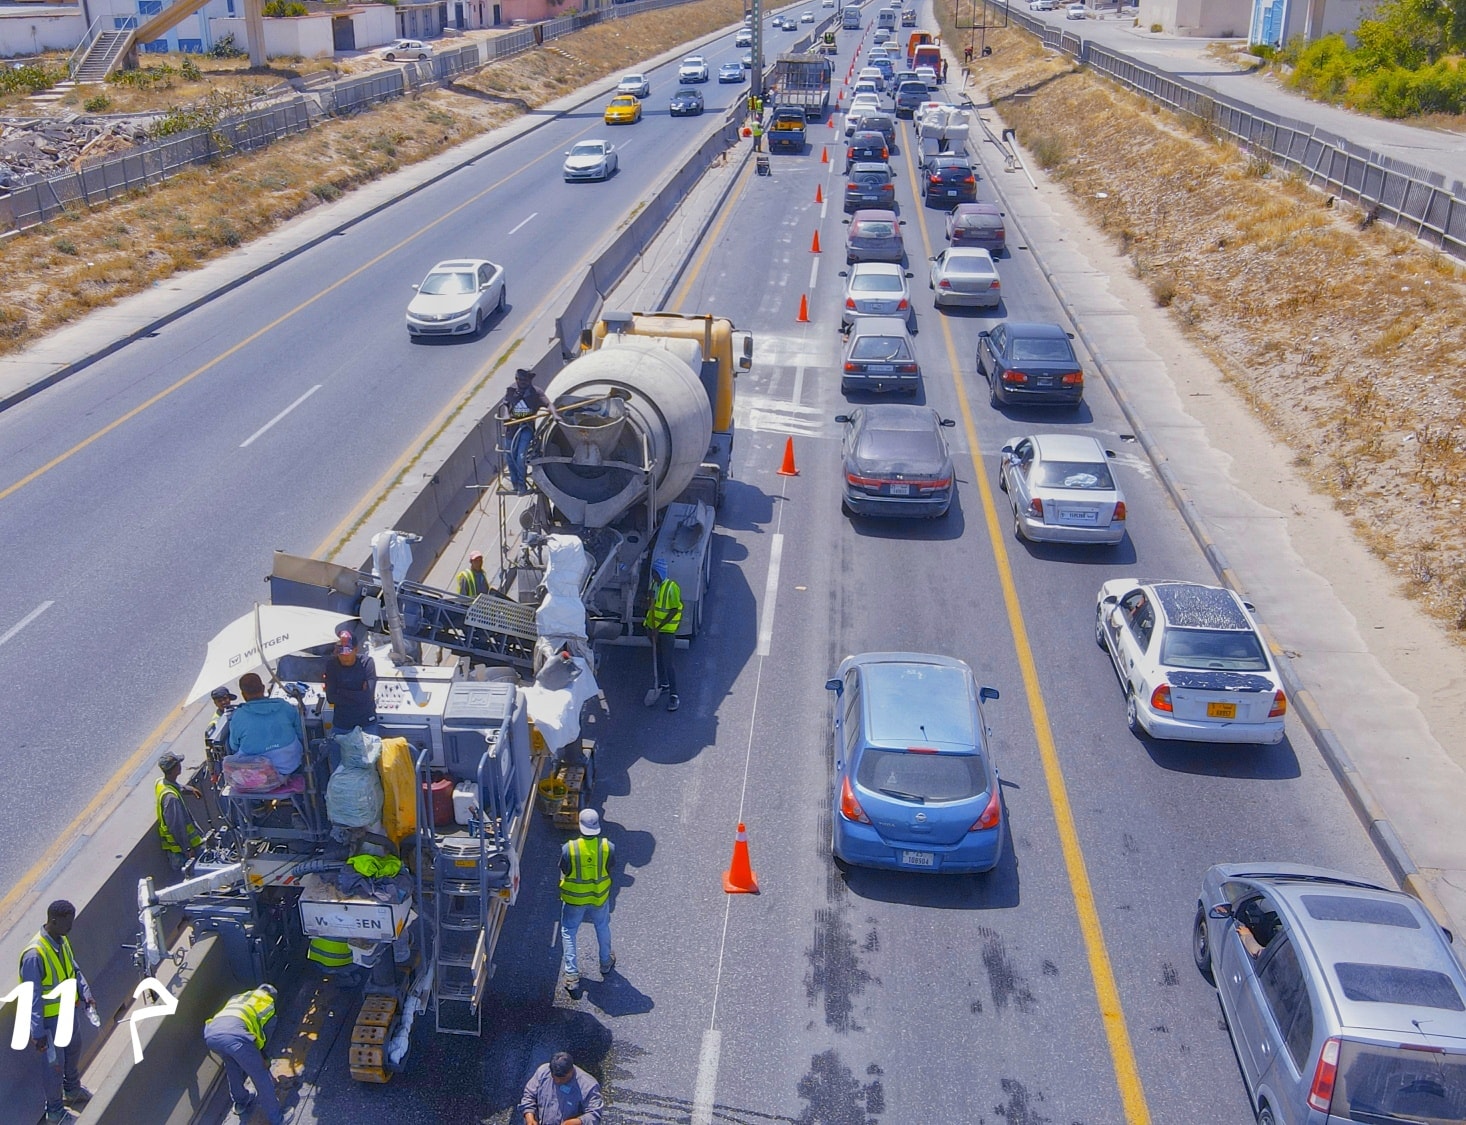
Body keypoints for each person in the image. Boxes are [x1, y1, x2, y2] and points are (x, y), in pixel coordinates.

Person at [19, 900, 96, 1123]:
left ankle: (71, 1090)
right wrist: (37, 1031)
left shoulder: (62, 940)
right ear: (53, 921)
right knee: (54, 1066)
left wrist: (85, 992)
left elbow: (74, 969)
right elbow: (31, 996)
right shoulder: (35, 955)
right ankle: (55, 1111)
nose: (70, 927)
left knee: (74, 1048)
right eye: (67, 923)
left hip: (67, 1012)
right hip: (48, 1022)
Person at [203, 985, 283, 1125]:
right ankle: (277, 1119)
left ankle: (241, 1102)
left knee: (232, 1064)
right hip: (235, 1037)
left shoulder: (240, 997)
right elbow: (260, 1039)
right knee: (260, 1075)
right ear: (272, 997)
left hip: (211, 1034)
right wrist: (263, 1058)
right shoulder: (268, 1004)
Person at [559, 809, 615, 994]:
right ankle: (605, 962)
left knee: (569, 931)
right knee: (602, 926)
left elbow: (565, 869)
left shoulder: (570, 848)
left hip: (574, 898)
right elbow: (610, 867)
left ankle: (572, 975)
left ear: (580, 825)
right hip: (599, 896)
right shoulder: (608, 847)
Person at [228, 672, 305, 777]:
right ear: (263, 688)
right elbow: (301, 734)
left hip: (256, 773)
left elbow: (234, 746)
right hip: (289, 766)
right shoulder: (284, 706)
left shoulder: (238, 716)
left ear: (243, 694)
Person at [519, 1050, 604, 1125]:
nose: (557, 1081)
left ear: (571, 1070)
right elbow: (529, 1096)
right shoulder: (543, 1072)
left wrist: (576, 1122)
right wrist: (530, 1118)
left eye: (562, 1078)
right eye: (553, 1077)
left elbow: (595, 1114)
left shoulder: (588, 1085)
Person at [500, 368, 549, 494]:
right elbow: (505, 404)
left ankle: (522, 485)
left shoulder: (536, 393)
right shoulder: (511, 390)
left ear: (529, 380)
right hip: (512, 428)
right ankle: (515, 483)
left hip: (526, 428)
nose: (520, 382)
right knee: (510, 457)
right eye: (518, 379)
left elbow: (549, 405)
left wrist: (555, 413)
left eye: (523, 379)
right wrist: (506, 416)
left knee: (520, 457)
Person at [644, 558, 682, 712]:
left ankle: (674, 696)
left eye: (654, 573)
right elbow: (651, 607)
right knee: (657, 657)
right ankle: (663, 684)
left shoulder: (672, 588)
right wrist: (648, 599)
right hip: (653, 629)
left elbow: (674, 610)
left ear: (661, 573)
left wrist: (658, 628)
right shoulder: (654, 585)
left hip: (665, 632)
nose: (653, 576)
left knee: (668, 662)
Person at [156, 751, 204, 871]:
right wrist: (187, 849)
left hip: (181, 850)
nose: (180, 766)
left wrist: (190, 789)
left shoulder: (161, 782)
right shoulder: (171, 799)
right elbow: (177, 827)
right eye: (178, 764)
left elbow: (176, 786)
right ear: (173, 769)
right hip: (181, 852)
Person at [323, 630, 377, 733]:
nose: (344, 656)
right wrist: (358, 693)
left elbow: (368, 697)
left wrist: (341, 691)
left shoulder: (367, 663)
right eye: (340, 651)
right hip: (342, 724)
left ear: (356, 650)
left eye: (347, 651)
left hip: (366, 722)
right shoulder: (331, 665)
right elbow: (331, 698)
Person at [205, 686, 237, 750]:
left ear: (229, 698)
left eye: (225, 699)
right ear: (215, 703)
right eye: (219, 701)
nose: (223, 702)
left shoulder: (237, 710)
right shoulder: (215, 723)